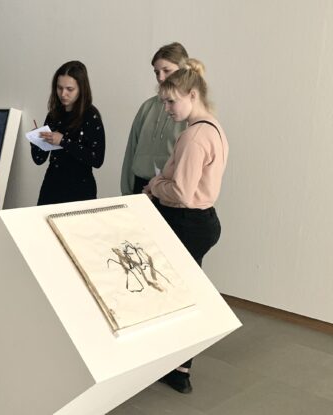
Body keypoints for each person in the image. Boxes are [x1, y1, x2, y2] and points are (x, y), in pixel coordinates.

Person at [144, 58, 228, 394]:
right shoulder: (213, 127)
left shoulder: (194, 137)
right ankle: (177, 365)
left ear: (192, 95)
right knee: (183, 294)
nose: (166, 109)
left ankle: (179, 369)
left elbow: (181, 192)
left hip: (187, 222)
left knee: (178, 298)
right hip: (200, 220)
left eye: (170, 101)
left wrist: (155, 185)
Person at [31, 60, 105, 205]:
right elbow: (39, 159)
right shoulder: (54, 115)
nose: (63, 94)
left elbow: (97, 159)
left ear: (81, 89)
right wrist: (36, 139)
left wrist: (63, 141)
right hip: (52, 186)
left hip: (80, 190)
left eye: (69, 89)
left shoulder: (91, 116)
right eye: (59, 88)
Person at [121, 42, 189, 195]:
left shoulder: (189, 114)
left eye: (167, 70)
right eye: (156, 72)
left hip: (170, 191)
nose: (160, 78)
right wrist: (126, 192)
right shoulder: (147, 107)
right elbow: (131, 150)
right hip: (140, 188)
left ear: (183, 70)